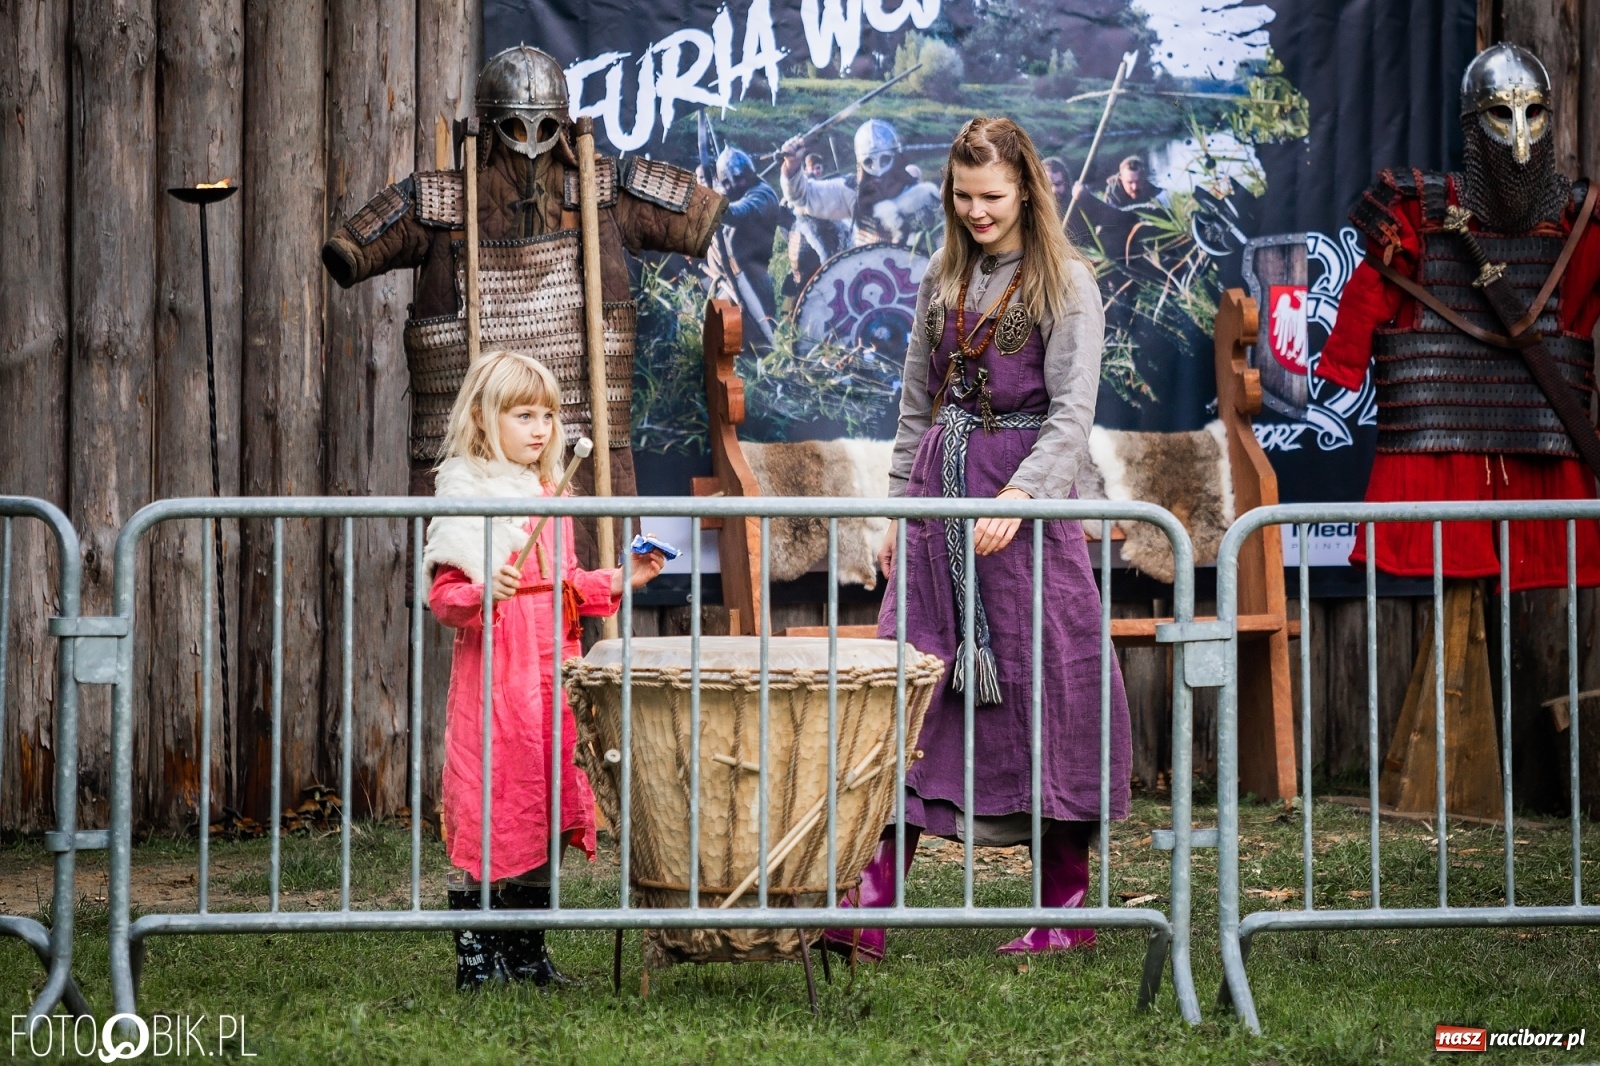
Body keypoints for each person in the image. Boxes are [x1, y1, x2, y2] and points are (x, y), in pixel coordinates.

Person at [826, 117, 1131, 961]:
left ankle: (1063, 914)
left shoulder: (1066, 282)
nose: (976, 211)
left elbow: (1071, 417)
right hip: (938, 507)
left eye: (990, 196)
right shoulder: (942, 274)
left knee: (1049, 690)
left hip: (1025, 521)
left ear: (1026, 188)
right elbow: (915, 410)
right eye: (962, 196)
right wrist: (899, 513)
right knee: (909, 693)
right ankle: (867, 910)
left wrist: (1022, 496)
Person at [321, 45, 725, 568]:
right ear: (489, 129)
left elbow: (699, 214)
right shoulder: (438, 200)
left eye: (543, 128)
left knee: (585, 576)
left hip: (584, 429)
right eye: (515, 127)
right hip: (471, 442)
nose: (531, 142)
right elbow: (348, 249)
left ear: (564, 127)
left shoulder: (604, 189)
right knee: (473, 581)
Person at [423, 349, 666, 989]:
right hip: (497, 678)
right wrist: (484, 593)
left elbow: (564, 585)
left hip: (553, 671)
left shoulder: (548, 494)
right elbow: (445, 599)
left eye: (548, 416)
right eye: (523, 415)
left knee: (549, 803)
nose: (541, 429)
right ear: (483, 418)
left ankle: (525, 953)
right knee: (490, 803)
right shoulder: (469, 497)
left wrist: (622, 579)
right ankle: (478, 961)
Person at [1316, 42, 1600, 590]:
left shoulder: (1581, 222)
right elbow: (1369, 291)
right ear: (1474, 124)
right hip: (1435, 447)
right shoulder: (1414, 211)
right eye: (1502, 114)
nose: (1519, 134)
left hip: (1540, 445)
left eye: (1531, 113)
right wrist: (1342, 366)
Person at [780, 118, 941, 247]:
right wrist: (792, 165)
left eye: (885, 159)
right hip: (870, 272)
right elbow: (803, 198)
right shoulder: (851, 191)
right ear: (860, 163)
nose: (878, 170)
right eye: (869, 162)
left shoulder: (922, 195)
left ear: (896, 157)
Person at [711, 146, 785, 324]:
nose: (735, 185)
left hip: (753, 280)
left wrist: (714, 204)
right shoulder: (732, 196)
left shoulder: (763, 195)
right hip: (730, 283)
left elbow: (738, 213)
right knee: (723, 337)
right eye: (728, 183)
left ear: (749, 174)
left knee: (762, 334)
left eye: (740, 179)